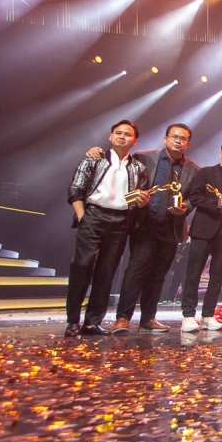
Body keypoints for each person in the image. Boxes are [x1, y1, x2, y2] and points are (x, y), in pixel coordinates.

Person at [105, 123, 200, 334]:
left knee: (159, 275)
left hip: (171, 226)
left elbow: (194, 197)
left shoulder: (193, 168)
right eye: (174, 137)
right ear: (165, 138)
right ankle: (122, 318)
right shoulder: (143, 157)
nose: (178, 141)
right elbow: (121, 173)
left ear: (188, 143)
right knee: (136, 271)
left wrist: (186, 208)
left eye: (182, 139)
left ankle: (148, 318)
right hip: (145, 223)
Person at [64, 120, 149, 336]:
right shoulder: (94, 158)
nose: (122, 136)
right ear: (110, 136)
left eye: (127, 134)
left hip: (120, 220)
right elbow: (76, 189)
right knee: (82, 266)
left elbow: (138, 197)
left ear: (135, 140)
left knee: (106, 272)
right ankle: (73, 321)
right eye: (118, 133)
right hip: (93, 215)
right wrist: (83, 217)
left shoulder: (138, 167)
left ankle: (92, 322)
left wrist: (142, 201)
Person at [180, 141, 222, 333]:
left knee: (217, 277)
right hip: (203, 229)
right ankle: (188, 316)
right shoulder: (207, 173)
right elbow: (195, 197)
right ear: (220, 153)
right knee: (193, 273)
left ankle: (208, 315)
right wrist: (217, 204)